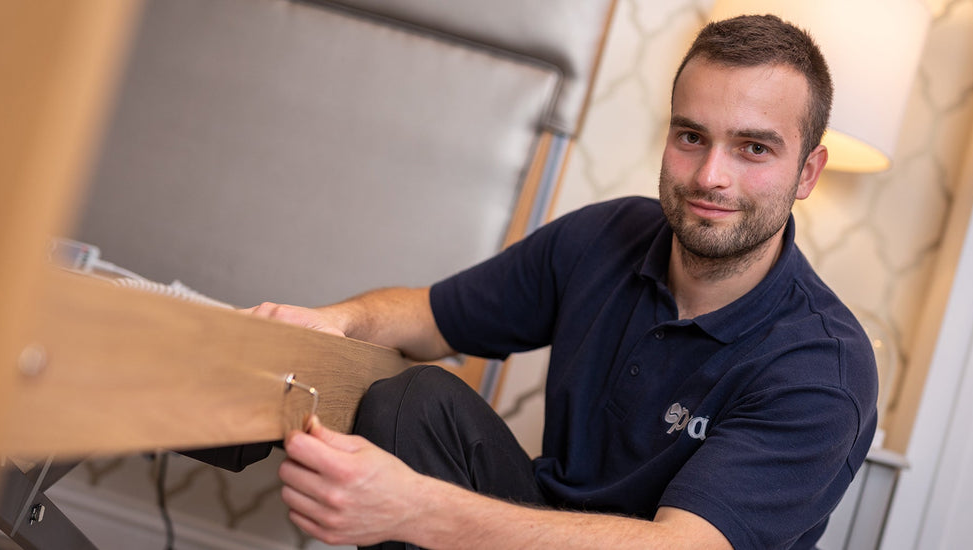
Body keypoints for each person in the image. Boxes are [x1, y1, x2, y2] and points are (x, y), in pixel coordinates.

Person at [247, 14, 878, 550]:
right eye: (692, 136)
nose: (711, 175)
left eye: (754, 149)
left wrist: (416, 508)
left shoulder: (823, 368)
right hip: (541, 524)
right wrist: (336, 321)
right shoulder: (609, 237)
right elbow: (430, 317)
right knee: (416, 402)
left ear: (807, 172)